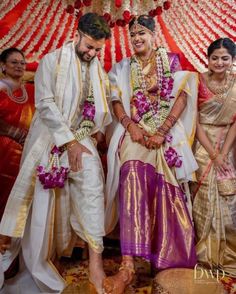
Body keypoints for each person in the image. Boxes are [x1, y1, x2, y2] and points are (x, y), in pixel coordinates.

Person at [0, 13, 111, 293]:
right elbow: (46, 104)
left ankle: (96, 263)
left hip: (80, 136)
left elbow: (101, 104)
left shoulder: (97, 66)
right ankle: (39, 262)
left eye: (98, 49)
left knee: (93, 183)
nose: (92, 53)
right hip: (50, 135)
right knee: (43, 199)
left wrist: (91, 135)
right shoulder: (52, 61)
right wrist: (68, 142)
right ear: (77, 35)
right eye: (89, 46)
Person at [103, 15, 198, 294]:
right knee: (132, 170)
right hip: (133, 131)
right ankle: (128, 266)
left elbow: (182, 94)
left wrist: (164, 130)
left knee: (165, 175)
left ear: (154, 35)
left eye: (142, 33)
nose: (137, 39)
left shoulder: (170, 61)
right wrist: (130, 125)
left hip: (165, 132)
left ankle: (167, 255)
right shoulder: (123, 67)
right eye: (133, 35)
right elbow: (116, 99)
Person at [192, 38, 236, 277]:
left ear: (233, 60)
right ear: (208, 59)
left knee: (228, 196)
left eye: (225, 58)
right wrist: (211, 153)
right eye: (215, 58)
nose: (219, 62)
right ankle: (204, 254)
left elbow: (235, 122)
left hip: (228, 144)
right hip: (201, 145)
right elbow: (194, 121)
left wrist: (224, 153)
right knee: (202, 197)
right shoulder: (197, 81)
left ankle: (226, 253)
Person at [0, 47, 35, 279]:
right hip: (4, 152)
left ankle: (14, 259)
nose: (20, 66)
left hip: (26, 154)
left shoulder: (30, 91)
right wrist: (16, 134)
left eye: (22, 63)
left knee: (21, 204)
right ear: (3, 65)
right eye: (14, 62)